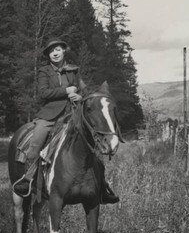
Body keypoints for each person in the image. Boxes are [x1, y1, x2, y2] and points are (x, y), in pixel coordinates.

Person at [13, 38, 119, 204]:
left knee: (94, 147)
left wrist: (80, 96)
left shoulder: (74, 71)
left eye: (58, 50)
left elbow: (85, 92)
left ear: (64, 51)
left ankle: (102, 188)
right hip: (50, 115)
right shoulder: (44, 71)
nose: (55, 53)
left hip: (73, 114)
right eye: (51, 51)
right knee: (36, 142)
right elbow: (43, 93)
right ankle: (27, 180)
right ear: (48, 55)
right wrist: (66, 91)